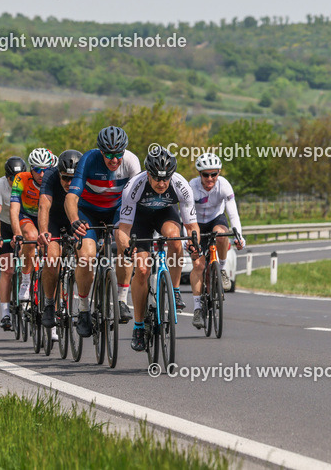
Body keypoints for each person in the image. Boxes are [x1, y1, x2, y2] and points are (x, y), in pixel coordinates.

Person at [115, 147, 199, 352]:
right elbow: (123, 230)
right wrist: (127, 249)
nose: (162, 184)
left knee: (175, 237)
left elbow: (191, 225)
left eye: (165, 179)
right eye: (157, 179)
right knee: (142, 270)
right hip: (139, 220)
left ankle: (175, 290)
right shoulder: (134, 186)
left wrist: (194, 242)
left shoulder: (181, 185)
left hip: (165, 215)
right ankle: (139, 326)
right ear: (148, 174)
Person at [65, 126, 142, 324]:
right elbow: (71, 197)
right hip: (88, 212)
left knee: (124, 246)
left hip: (117, 210)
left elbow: (136, 199)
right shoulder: (89, 160)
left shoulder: (132, 162)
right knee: (86, 256)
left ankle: (122, 299)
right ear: (101, 151)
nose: (114, 160)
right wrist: (74, 220)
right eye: (109, 154)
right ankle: (83, 310)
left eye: (118, 154)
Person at [188, 152, 245, 328]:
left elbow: (233, 214)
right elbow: (184, 214)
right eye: (206, 174)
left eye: (214, 174)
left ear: (219, 173)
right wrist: (188, 240)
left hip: (215, 219)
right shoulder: (191, 187)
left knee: (221, 234)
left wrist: (239, 236)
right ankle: (197, 309)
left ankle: (221, 269)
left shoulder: (224, 186)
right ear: (200, 174)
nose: (210, 178)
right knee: (198, 265)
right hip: (195, 223)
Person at [37, 149, 84, 332]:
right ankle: (49, 303)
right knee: (52, 257)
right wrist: (43, 232)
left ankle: (84, 306)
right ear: (58, 173)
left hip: (77, 217)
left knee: (87, 257)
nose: (69, 183)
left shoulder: (85, 177)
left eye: (73, 179)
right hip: (55, 220)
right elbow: (43, 205)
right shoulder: (49, 176)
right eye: (65, 178)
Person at [8, 148, 57, 318]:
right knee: (30, 236)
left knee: (52, 252)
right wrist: (16, 233)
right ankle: (26, 280)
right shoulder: (20, 178)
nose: (41, 174)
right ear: (30, 168)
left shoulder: (54, 179)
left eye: (45, 169)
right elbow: (14, 209)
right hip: (27, 215)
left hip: (48, 218)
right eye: (37, 169)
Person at [0, 156, 28, 329]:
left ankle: (29, 294)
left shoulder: (28, 181)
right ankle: (5, 313)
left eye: (18, 177)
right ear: (7, 177)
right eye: (12, 178)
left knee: (29, 261)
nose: (16, 181)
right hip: (5, 225)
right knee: (7, 269)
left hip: (23, 222)